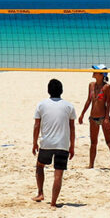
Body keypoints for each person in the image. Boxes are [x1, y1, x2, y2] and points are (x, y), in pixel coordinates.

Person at [33, 78, 76, 207]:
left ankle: (40, 193)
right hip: (62, 145)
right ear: (61, 91)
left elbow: (36, 126)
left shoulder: (41, 105)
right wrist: (72, 146)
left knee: (40, 166)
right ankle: (53, 203)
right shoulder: (69, 106)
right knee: (58, 173)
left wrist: (34, 142)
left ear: (48, 91)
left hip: (47, 144)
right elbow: (72, 128)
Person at [78, 64, 110, 170]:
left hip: (103, 117)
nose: (93, 72)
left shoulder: (107, 87)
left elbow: (108, 104)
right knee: (93, 143)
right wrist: (82, 114)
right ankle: (91, 165)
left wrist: (106, 119)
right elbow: (88, 101)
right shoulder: (91, 85)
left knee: (109, 142)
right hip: (93, 118)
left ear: (101, 74)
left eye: (95, 71)